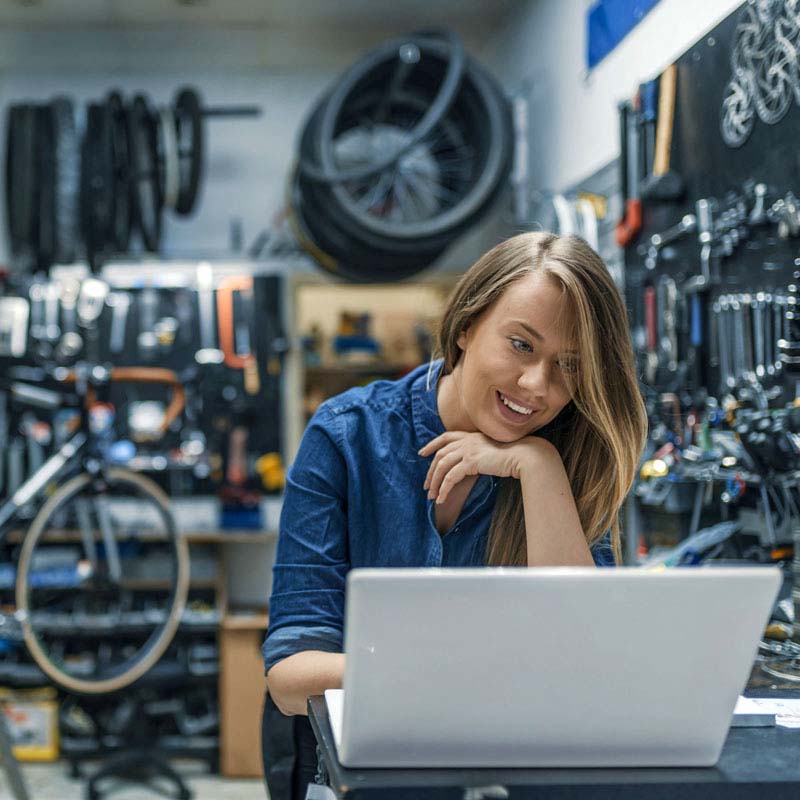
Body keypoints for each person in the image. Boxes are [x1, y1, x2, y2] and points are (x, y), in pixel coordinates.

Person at [260, 231, 648, 798]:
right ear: (466, 326)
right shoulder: (348, 436)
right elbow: (292, 677)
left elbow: (581, 661)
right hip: (363, 779)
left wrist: (537, 467)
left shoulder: (568, 460)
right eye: (521, 344)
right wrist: (462, 673)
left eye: (569, 365)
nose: (537, 385)